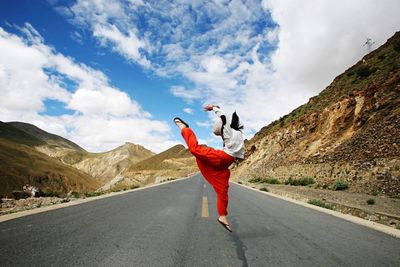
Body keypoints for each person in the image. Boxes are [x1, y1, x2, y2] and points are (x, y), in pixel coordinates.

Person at [173, 104, 244, 232]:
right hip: (226, 162)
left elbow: (223, 117)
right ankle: (222, 216)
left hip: (221, 158)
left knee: (195, 150)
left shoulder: (228, 131)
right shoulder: (239, 134)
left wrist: (214, 108)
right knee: (222, 190)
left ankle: (185, 128)